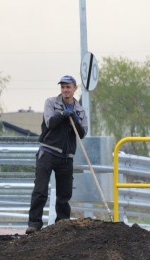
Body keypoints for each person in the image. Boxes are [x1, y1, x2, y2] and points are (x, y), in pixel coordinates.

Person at [26, 75, 89, 234]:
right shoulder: (51, 103)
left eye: (68, 87)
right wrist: (62, 115)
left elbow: (82, 133)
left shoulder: (80, 110)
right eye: (63, 87)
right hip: (48, 152)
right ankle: (34, 224)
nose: (65, 90)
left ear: (75, 88)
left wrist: (74, 118)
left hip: (66, 157)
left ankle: (62, 225)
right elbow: (50, 123)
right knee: (40, 190)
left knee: (64, 194)